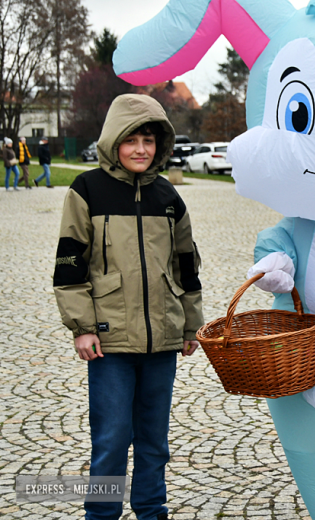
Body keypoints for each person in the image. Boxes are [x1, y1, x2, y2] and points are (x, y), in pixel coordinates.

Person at [53, 94, 204, 520]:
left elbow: (186, 265)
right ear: (113, 141)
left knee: (155, 439)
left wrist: (190, 326)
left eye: (149, 140)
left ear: (160, 144)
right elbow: (70, 263)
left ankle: (151, 509)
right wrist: (82, 326)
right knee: (112, 438)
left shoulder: (169, 197)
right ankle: (101, 514)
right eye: (131, 140)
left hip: (162, 341)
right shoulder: (86, 190)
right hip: (110, 342)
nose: (141, 149)